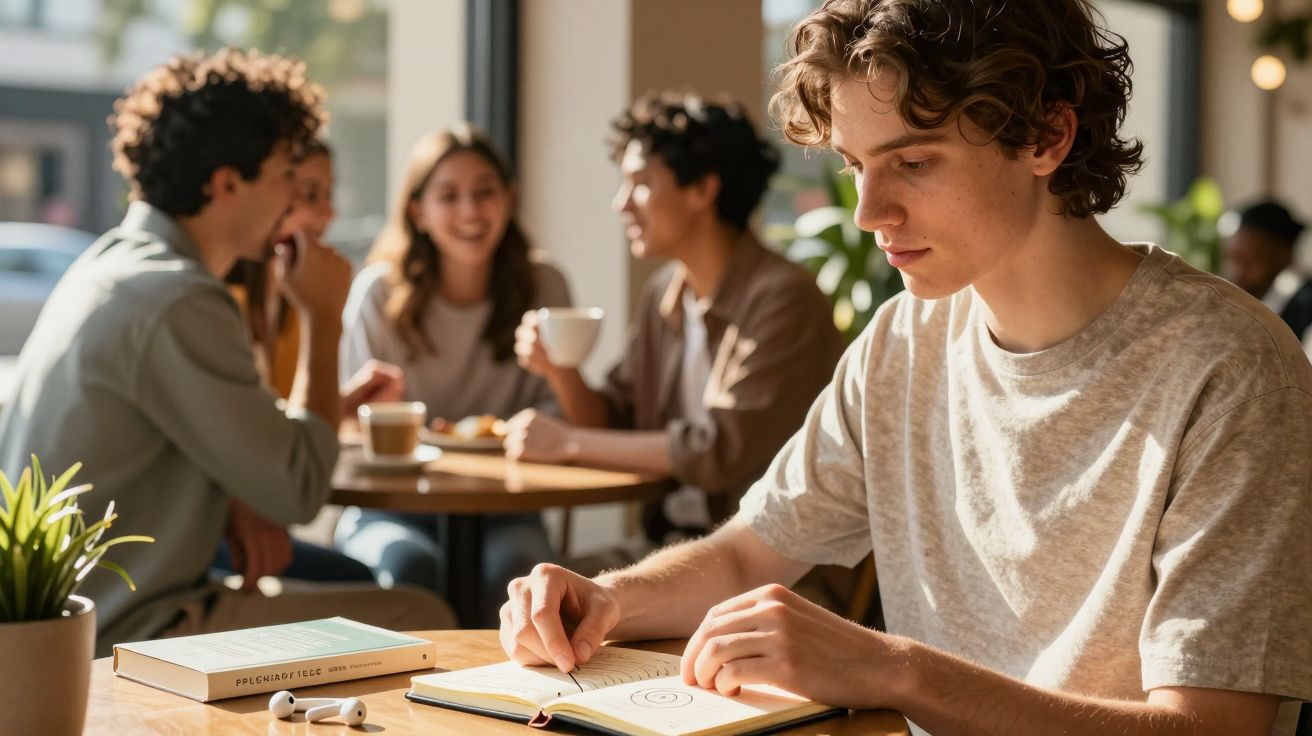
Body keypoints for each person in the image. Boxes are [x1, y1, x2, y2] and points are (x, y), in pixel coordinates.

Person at [498, 2, 1312, 735]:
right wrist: (610, 599)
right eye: (855, 165)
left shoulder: (1229, 365)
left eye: (912, 162)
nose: (867, 213)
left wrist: (893, 669)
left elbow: (1212, 728)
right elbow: (753, 552)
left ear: (1047, 137)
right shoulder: (905, 340)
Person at [0, 49, 453, 656]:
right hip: (132, 631)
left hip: (77, 618)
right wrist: (322, 318)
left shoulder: (110, 264)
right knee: (422, 612)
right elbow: (298, 489)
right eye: (285, 177)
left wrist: (232, 497)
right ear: (226, 184)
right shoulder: (181, 298)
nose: (295, 200)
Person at [507, 92, 844, 545]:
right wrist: (560, 370)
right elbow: (615, 423)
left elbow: (719, 448)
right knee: (530, 586)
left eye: (640, 183)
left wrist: (567, 443)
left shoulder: (784, 300)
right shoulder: (665, 293)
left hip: (769, 566)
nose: (621, 204)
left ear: (703, 190)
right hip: (677, 546)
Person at [334, 124, 572, 626]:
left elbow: (560, 417)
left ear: (509, 199)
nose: (470, 211)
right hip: (391, 505)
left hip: (509, 505)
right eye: (449, 196)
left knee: (516, 575)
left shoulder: (543, 286)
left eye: (485, 192)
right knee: (409, 567)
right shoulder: (379, 293)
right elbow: (349, 427)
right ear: (417, 210)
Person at [215, 139, 376, 586]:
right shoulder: (218, 302)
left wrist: (342, 406)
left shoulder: (289, 299)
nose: (327, 214)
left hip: (260, 521)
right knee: (371, 585)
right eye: (308, 195)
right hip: (212, 539)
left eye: (327, 195)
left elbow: (278, 426)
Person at [1221, 199, 1312, 341]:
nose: (1238, 273)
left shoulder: (1305, 308)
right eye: (1235, 260)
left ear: (1283, 255)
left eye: (1251, 261)